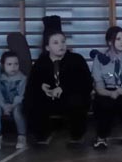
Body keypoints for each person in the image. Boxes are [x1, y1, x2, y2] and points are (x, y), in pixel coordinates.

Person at [25, 18, 92, 147]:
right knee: (32, 100)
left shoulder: (76, 59)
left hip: (69, 97)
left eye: (63, 42)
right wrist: (42, 87)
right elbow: (32, 84)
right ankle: (40, 135)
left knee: (77, 100)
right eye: (55, 43)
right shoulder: (41, 62)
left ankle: (77, 136)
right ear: (47, 47)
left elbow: (86, 82)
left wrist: (63, 88)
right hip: (49, 99)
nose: (61, 45)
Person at [91, 26, 122, 150]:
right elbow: (99, 88)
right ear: (109, 42)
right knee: (102, 103)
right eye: (118, 39)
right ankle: (101, 138)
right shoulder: (99, 59)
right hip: (107, 91)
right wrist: (110, 93)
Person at [0, 51, 28, 150]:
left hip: (17, 104)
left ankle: (21, 136)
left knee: (17, 111)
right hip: (2, 104)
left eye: (16, 64)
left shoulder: (23, 78)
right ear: (3, 65)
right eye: (9, 64)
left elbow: (21, 95)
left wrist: (12, 106)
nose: (13, 67)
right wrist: (4, 106)